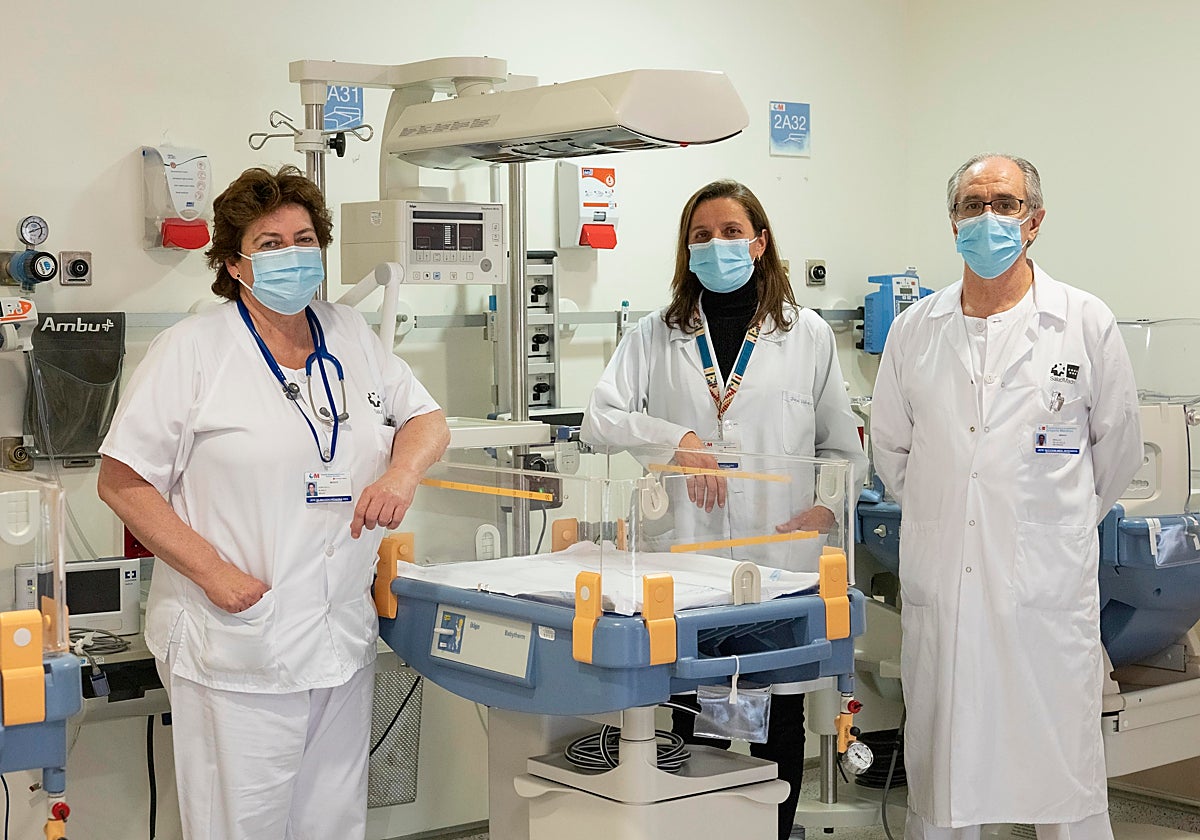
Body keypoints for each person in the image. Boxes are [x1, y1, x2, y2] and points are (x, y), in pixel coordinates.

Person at [97, 165, 450, 840]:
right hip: (237, 644)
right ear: (235, 264)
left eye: (304, 237)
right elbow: (122, 481)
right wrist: (215, 575)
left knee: (331, 825)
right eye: (269, 243)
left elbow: (427, 422)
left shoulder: (351, 335)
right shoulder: (193, 350)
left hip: (337, 640)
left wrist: (401, 475)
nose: (293, 254)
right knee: (243, 827)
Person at [581, 179, 867, 840]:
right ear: (687, 249)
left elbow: (841, 445)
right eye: (703, 235)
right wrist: (674, 441)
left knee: (780, 716)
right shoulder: (657, 335)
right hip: (688, 557)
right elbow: (602, 417)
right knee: (689, 706)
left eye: (732, 232)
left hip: (778, 558)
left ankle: (772, 834)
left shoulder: (809, 336)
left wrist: (825, 508)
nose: (718, 245)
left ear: (761, 242)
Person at [870, 154, 1142, 840]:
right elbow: (893, 455)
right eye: (972, 205)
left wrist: (1046, 528)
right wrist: (954, 512)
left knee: (1062, 783)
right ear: (953, 222)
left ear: (1035, 221)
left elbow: (1116, 458)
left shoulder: (1084, 322)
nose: (987, 218)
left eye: (1005, 203)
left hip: (1043, 601)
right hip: (947, 594)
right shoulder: (915, 330)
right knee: (946, 780)